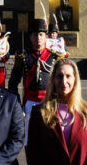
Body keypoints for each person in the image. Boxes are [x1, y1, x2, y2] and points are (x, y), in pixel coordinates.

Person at [8, 18, 58, 154]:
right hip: (29, 104)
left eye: (41, 35)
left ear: (46, 37)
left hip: (49, 102)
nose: (38, 38)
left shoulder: (54, 57)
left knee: (50, 137)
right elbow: (13, 84)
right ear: (30, 37)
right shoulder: (23, 57)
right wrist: (18, 106)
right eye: (35, 35)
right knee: (30, 140)